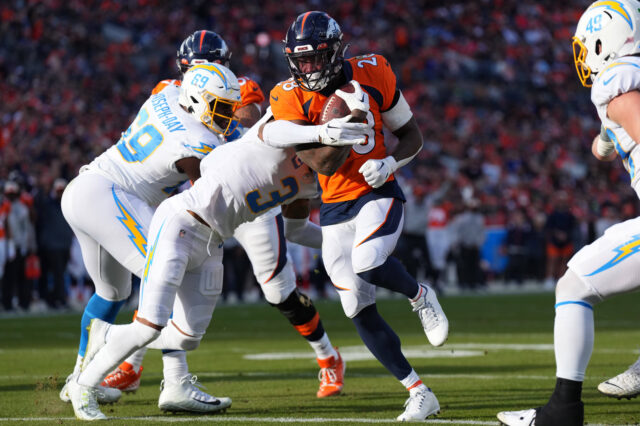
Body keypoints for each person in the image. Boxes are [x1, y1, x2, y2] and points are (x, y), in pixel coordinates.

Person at [65, 93, 367, 420]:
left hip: (213, 241)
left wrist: (345, 244)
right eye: (337, 146)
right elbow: (273, 131)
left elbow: (295, 230)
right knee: (150, 325)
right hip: (181, 223)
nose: (336, 158)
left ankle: (109, 335)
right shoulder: (275, 133)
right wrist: (320, 134)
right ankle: (85, 386)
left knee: (186, 337)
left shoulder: (311, 184)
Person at [105, 30, 348, 401]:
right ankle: (132, 365)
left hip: (252, 201)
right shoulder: (167, 91)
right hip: (204, 199)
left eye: (214, 66)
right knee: (164, 273)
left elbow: (253, 123)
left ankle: (328, 356)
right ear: (184, 70)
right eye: (197, 68)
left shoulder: (240, 89)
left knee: (278, 292)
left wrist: (224, 109)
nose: (207, 73)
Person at [258, 11, 449, 421]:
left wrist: (391, 165)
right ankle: (418, 391)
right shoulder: (288, 95)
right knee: (354, 306)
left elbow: (412, 135)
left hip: (377, 190)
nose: (307, 68)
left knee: (368, 262)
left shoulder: (373, 71)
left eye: (315, 58)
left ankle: (420, 295)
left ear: (336, 51)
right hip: (333, 205)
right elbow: (321, 165)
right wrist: (333, 132)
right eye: (300, 60)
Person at [59, 62, 242, 412]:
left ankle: (78, 379)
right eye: (221, 108)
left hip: (87, 186)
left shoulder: (169, 92)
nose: (227, 117)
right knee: (169, 276)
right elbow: (206, 189)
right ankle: (175, 384)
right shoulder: (198, 140)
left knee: (112, 293)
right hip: (110, 195)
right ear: (198, 100)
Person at [498, 1, 640, 424]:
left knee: (574, 286)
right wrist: (605, 140)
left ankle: (562, 412)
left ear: (602, 40)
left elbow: (628, 107)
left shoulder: (615, 80)